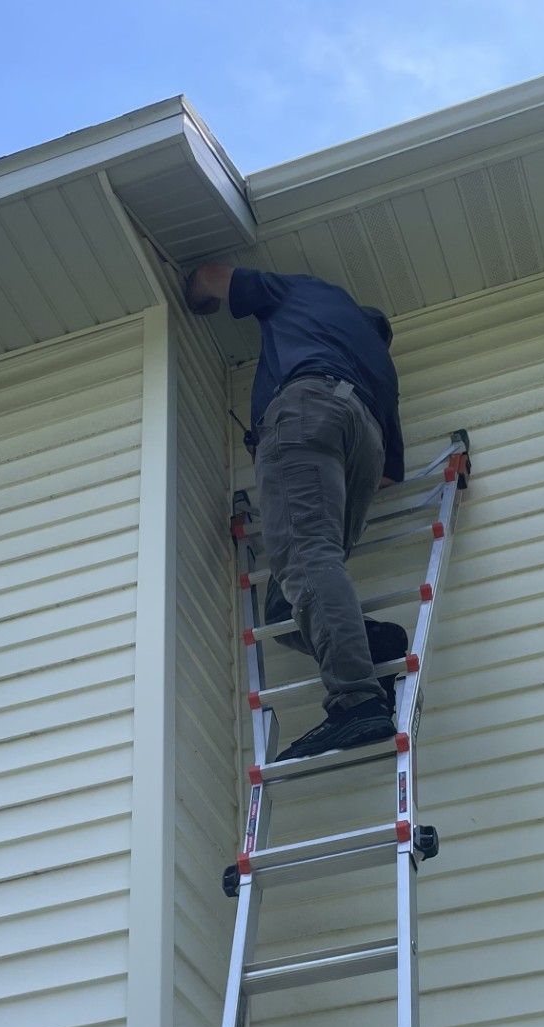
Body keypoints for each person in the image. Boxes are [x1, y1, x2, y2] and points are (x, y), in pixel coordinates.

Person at [184, 263, 408, 761]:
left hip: (306, 408)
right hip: (364, 443)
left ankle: (356, 700)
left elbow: (214, 278)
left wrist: (193, 294)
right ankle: (374, 645)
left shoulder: (311, 293)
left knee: (307, 560)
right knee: (286, 609)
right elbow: (390, 474)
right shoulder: (380, 367)